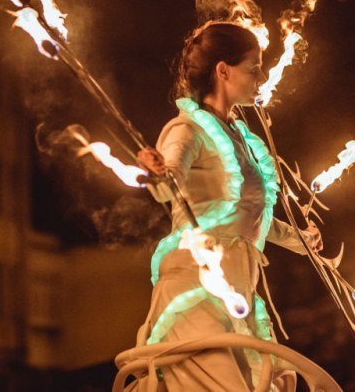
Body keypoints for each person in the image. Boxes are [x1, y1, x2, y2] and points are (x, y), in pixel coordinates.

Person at [128, 22, 322, 391]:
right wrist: (155, 174)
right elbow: (169, 183)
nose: (261, 77)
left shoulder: (240, 138)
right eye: (253, 68)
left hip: (237, 294)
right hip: (196, 292)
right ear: (223, 70)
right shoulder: (187, 131)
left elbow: (245, 213)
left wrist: (302, 239)